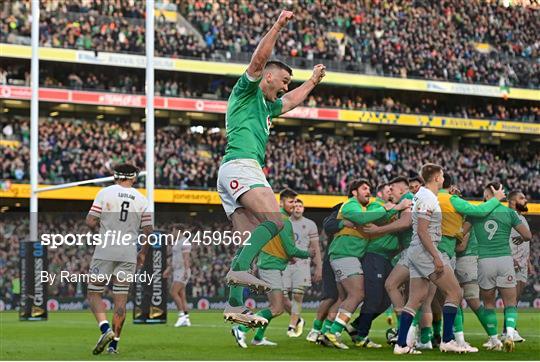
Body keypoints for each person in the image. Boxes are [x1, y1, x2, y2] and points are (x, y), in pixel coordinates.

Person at [217, 9, 326, 327]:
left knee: (249, 242)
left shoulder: (268, 105)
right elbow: (256, 62)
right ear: (268, 76)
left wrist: (312, 82)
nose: (284, 86)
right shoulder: (246, 91)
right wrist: (278, 24)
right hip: (242, 166)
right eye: (283, 80)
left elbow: (291, 101)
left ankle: (234, 304)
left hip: (235, 172)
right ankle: (237, 278)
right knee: (276, 220)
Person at [393, 164, 464, 354]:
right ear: (436, 178)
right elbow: (423, 231)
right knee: (455, 292)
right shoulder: (427, 197)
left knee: (415, 299)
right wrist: (436, 257)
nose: (443, 178)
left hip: (417, 251)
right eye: (441, 176)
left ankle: (401, 345)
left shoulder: (423, 195)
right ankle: (448, 340)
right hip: (425, 251)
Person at [324, 179, 402, 349]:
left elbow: (372, 218)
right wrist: (387, 208)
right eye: (364, 189)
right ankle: (333, 332)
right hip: (345, 254)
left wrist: (392, 208)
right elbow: (361, 218)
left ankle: (327, 331)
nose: (368, 191)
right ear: (354, 192)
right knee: (357, 294)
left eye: (370, 189)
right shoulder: (351, 205)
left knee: (347, 297)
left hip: (347, 256)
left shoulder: (364, 208)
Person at [85, 164, 153, 354]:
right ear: (133, 178)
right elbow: (149, 230)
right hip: (128, 252)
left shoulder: (105, 193)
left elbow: (90, 220)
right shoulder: (141, 199)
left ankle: (105, 329)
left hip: (106, 249)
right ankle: (114, 345)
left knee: (94, 293)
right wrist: (143, 253)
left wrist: (99, 231)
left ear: (115, 176)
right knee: (120, 299)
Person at [231, 189, 311, 348]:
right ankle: (241, 328)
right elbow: (290, 249)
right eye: (290, 202)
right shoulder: (284, 221)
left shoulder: (273, 218)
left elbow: (276, 246)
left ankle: (258, 337)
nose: (294, 205)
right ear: (281, 202)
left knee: (275, 306)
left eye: (296, 202)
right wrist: (308, 253)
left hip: (270, 265)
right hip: (271, 267)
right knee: (277, 308)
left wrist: (288, 256)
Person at [467, 183, 532, 352]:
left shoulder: (475, 213)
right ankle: (510, 335)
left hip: (484, 261)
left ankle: (494, 340)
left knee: (489, 303)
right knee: (510, 303)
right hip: (505, 260)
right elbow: (527, 235)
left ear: (487, 196)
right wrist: (520, 239)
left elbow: (461, 233)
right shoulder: (509, 213)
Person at [348, 183, 408, 348]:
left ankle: (355, 325)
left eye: (392, 189)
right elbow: (379, 219)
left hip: (386, 259)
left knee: (386, 300)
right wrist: (398, 207)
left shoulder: (391, 208)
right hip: (374, 256)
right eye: (387, 190)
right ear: (380, 194)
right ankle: (361, 336)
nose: (391, 192)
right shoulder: (376, 206)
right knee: (374, 298)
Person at [283, 199, 322, 338]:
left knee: (298, 295)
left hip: (302, 264)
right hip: (285, 263)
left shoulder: (310, 224)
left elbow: (315, 247)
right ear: (291, 209)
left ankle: (292, 326)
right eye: (295, 206)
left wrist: (319, 267)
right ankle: (299, 320)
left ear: (303, 209)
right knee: (281, 296)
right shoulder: (284, 223)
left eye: (300, 206)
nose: (298, 208)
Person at [505, 190, 531, 343]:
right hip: (511, 263)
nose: (525, 199)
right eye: (522, 198)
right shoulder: (508, 216)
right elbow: (502, 238)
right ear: (513, 201)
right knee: (511, 299)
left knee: (515, 299)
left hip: (522, 264)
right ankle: (510, 330)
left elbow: (524, 241)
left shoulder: (521, 218)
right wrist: (510, 258)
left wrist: (527, 262)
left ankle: (509, 329)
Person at [164, 224, 192, 327]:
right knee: (181, 295)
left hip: (182, 271)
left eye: (173, 231)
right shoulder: (178, 242)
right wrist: (169, 269)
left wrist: (185, 271)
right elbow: (175, 258)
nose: (172, 233)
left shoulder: (184, 242)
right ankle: (186, 318)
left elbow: (186, 258)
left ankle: (181, 316)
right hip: (177, 271)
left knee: (173, 292)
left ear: (178, 231)